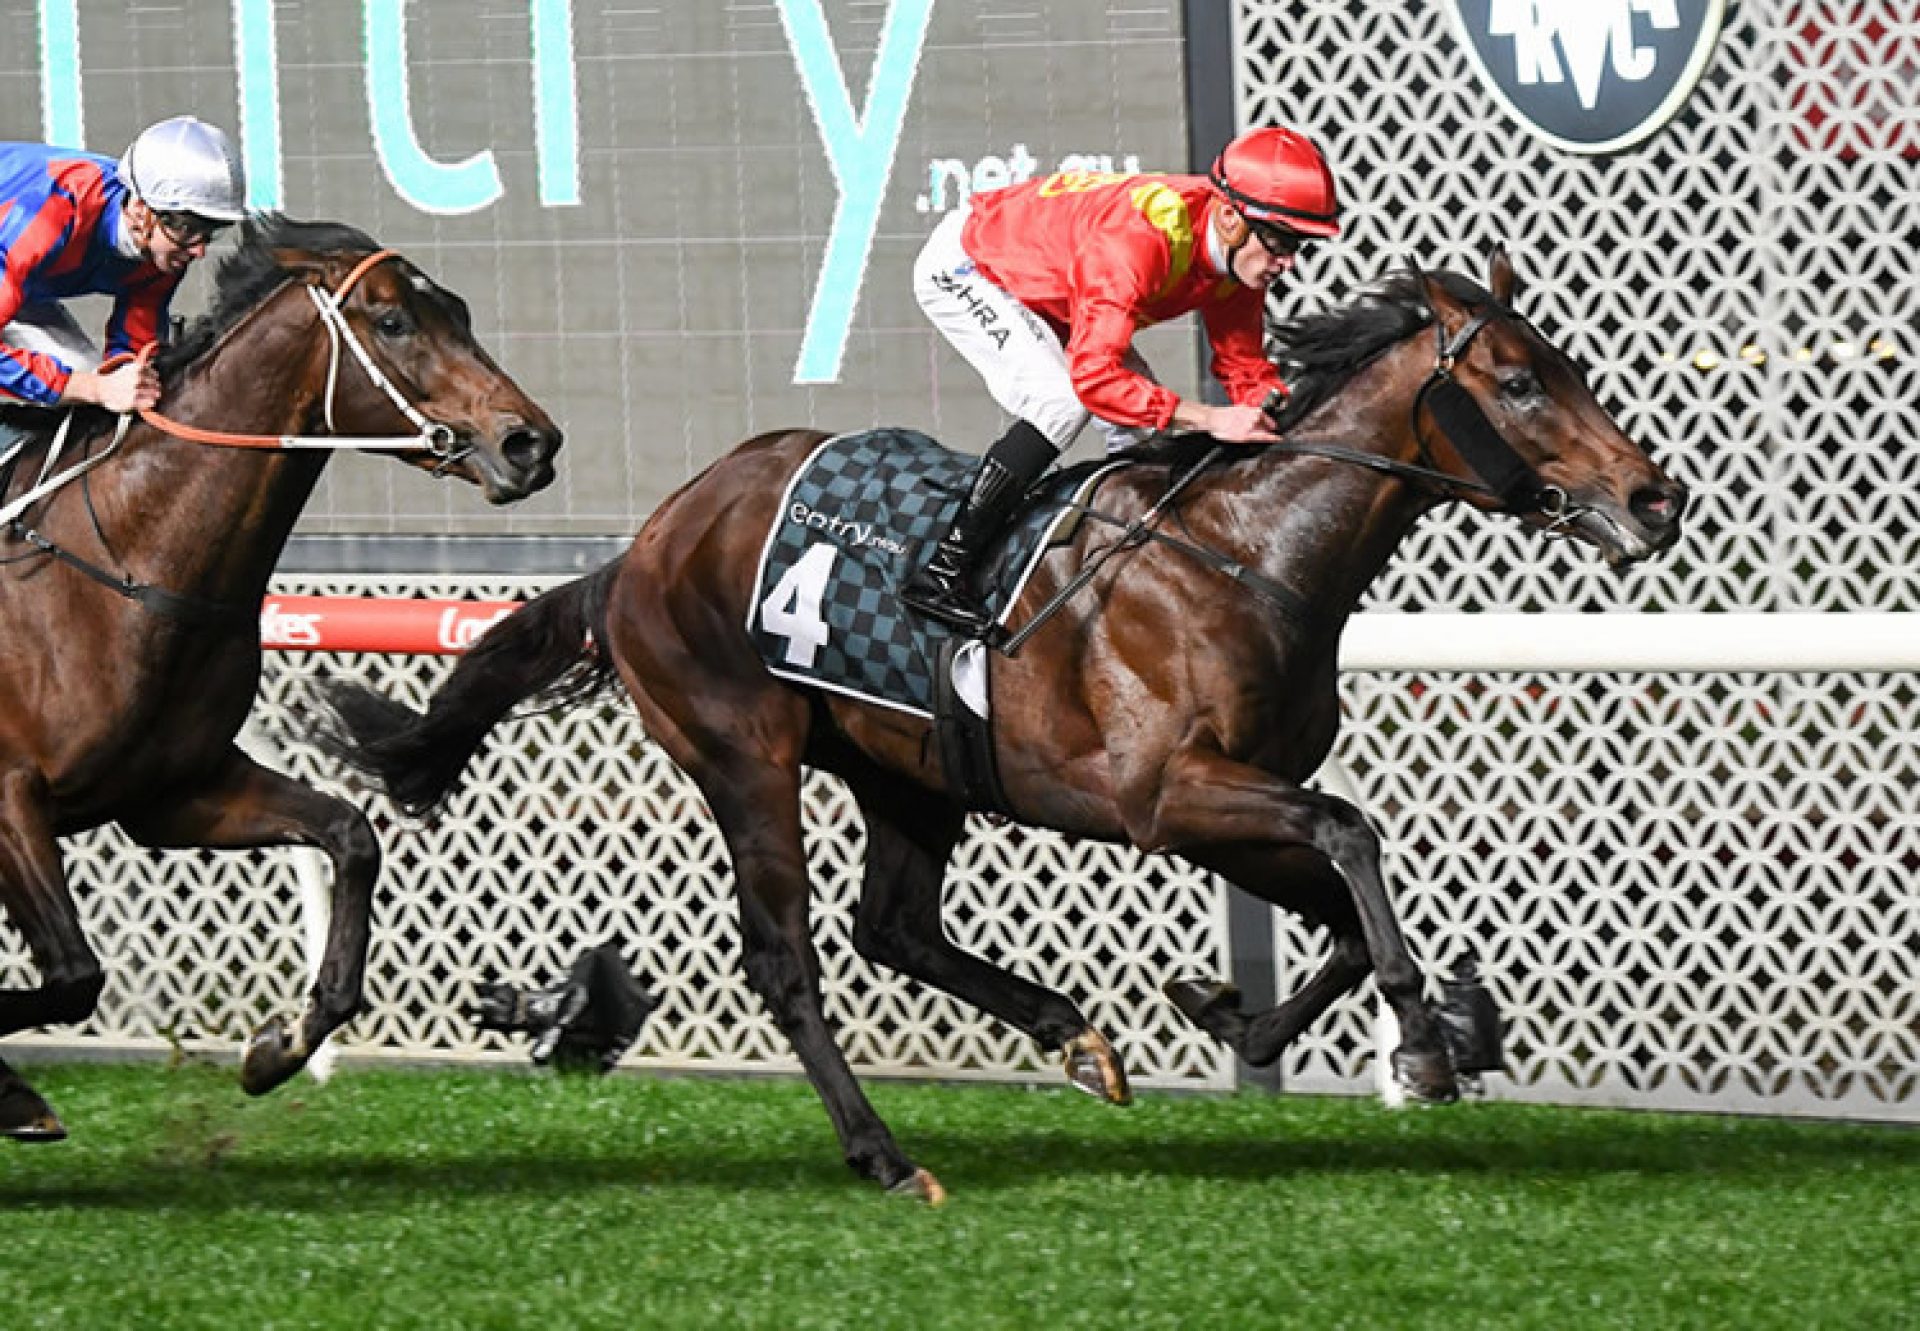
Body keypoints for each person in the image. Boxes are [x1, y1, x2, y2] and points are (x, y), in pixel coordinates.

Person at [903, 125, 1341, 636]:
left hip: (1058, 283)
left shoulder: (1237, 260)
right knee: (1061, 401)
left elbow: (1245, 368)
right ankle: (942, 571)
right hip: (974, 265)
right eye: (1280, 242)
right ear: (1228, 216)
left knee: (1142, 438)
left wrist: (1289, 424)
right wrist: (1210, 418)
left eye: (1298, 246)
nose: (1286, 263)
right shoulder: (1139, 241)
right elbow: (1095, 380)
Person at [0, 115, 247, 420]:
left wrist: (125, 379)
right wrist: (93, 388)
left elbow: (132, 350)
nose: (199, 250)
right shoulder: (49, 216)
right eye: (189, 229)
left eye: (211, 231)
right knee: (84, 387)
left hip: (12, 280)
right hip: (12, 254)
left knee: (90, 383)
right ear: (141, 212)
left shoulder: (165, 252)